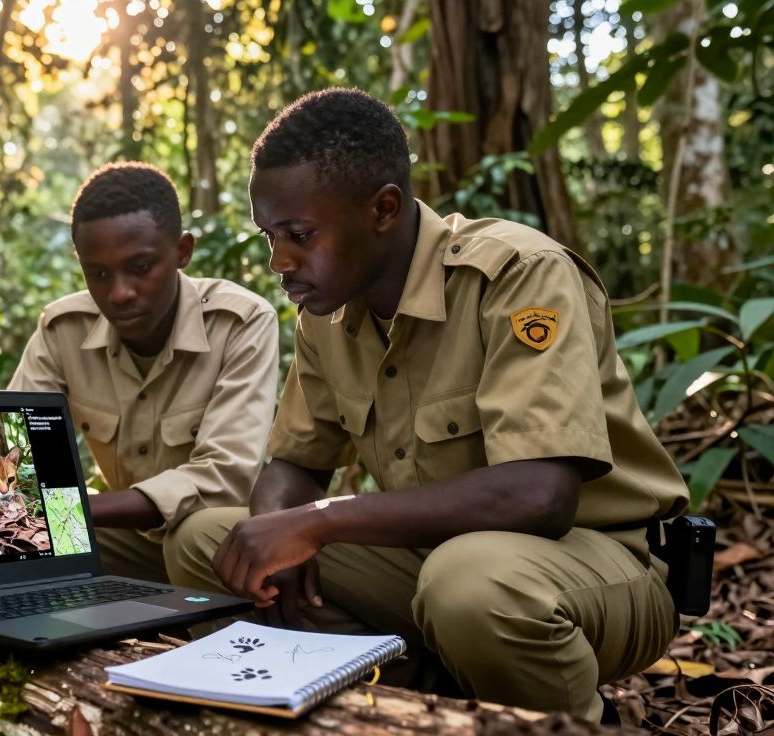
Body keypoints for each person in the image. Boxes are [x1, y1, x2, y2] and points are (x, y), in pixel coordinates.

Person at [165, 88, 687, 724]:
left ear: (383, 208)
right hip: (438, 562)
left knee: (471, 586)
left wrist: (318, 523)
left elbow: (541, 496)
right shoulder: (326, 313)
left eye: (300, 235)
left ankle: (574, 720)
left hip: (598, 564)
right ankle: (423, 699)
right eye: (271, 236)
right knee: (210, 544)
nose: (279, 261)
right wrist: (279, 533)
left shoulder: (518, 274)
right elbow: (296, 462)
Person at [10, 162, 279, 584]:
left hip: (217, 547)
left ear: (183, 251)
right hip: (129, 540)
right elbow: (19, 455)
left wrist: (78, 507)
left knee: (192, 533)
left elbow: (224, 479)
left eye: (140, 268)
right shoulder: (63, 330)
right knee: (25, 540)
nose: (119, 293)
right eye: (98, 274)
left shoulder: (239, 323)